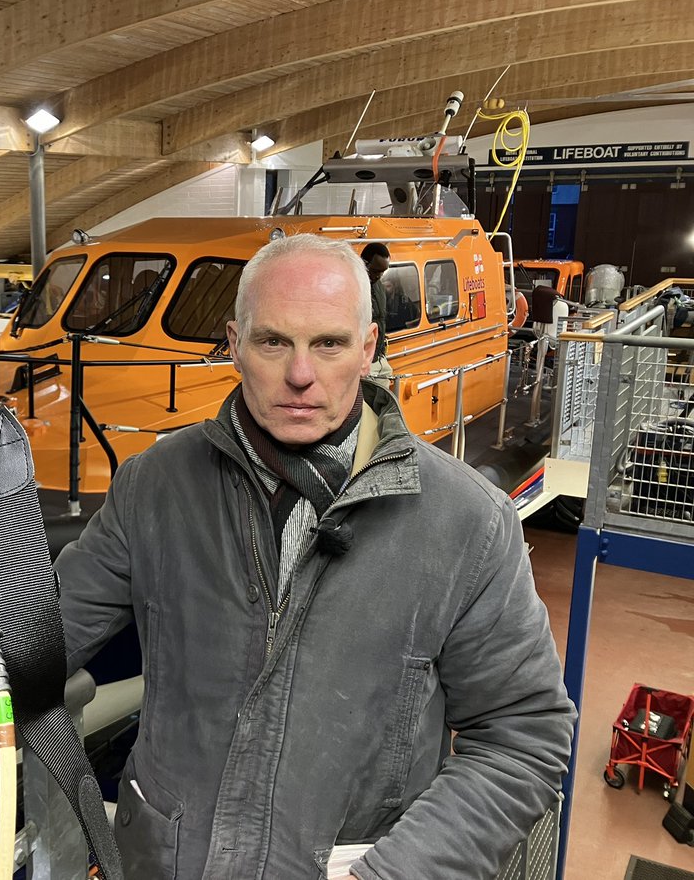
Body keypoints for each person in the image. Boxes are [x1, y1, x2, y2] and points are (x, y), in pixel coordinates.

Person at [56, 233, 575, 880]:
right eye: (273, 341)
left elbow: (523, 736)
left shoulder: (466, 523)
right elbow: (40, 643)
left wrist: (394, 874)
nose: (300, 374)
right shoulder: (155, 487)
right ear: (235, 343)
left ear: (367, 348)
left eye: (327, 343)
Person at [360, 242, 393, 389]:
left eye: (382, 272)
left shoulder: (378, 286)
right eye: (375, 271)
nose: (378, 276)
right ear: (364, 263)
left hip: (379, 357)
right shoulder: (355, 287)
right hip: (364, 361)